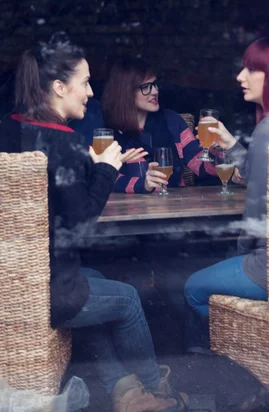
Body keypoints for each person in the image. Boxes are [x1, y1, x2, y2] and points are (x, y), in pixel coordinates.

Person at [0, 33, 187, 412]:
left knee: (97, 279)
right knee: (128, 299)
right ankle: (156, 393)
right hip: (46, 290)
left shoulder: (9, 127)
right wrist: (105, 168)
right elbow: (80, 225)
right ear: (58, 87)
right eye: (84, 82)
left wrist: (85, 162)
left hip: (12, 279)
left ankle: (122, 390)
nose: (89, 92)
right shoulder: (62, 141)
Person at [184, 37, 269, 353]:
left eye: (251, 69)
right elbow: (262, 176)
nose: (239, 77)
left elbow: (256, 217)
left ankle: (237, 364)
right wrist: (232, 143)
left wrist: (237, 256)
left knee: (191, 288)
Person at [101, 57, 217, 194]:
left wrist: (218, 151)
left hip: (176, 206)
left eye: (154, 84)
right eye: (145, 87)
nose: (155, 91)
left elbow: (201, 167)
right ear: (125, 92)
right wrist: (142, 184)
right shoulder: (108, 133)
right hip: (129, 212)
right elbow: (103, 177)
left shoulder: (172, 121)